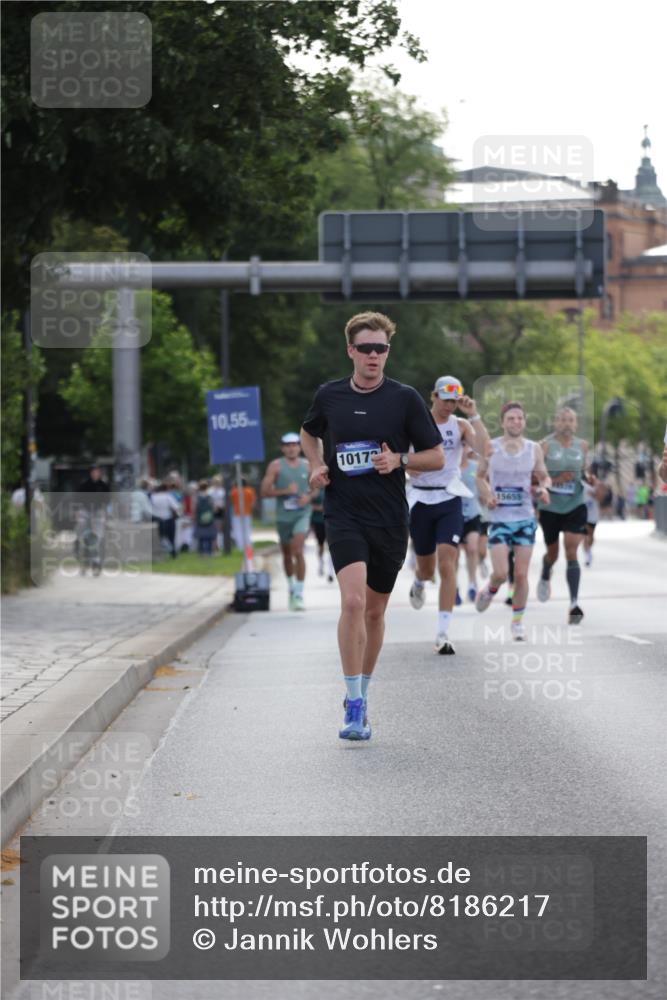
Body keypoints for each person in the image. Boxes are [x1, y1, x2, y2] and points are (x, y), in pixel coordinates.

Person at [300, 311, 444, 740]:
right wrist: (315, 463)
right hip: (343, 513)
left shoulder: (404, 399)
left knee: (377, 612)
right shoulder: (330, 396)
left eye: (381, 349)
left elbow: (435, 456)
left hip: (389, 519)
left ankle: (364, 688)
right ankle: (353, 704)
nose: (374, 356)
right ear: (351, 351)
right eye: (366, 348)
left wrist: (399, 460)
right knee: (353, 604)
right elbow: (309, 433)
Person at [407, 376, 489, 654]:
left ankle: (443, 632)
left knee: (447, 560)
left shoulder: (460, 425)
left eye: (454, 401)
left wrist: (474, 415)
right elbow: (399, 455)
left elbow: (485, 450)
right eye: (445, 399)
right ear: (434, 396)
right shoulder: (416, 421)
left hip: (450, 497)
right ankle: (419, 582)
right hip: (420, 498)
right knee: (428, 569)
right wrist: (408, 467)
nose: (449, 405)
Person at [475, 402, 551, 640]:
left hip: (525, 518)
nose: (516, 422)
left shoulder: (533, 449)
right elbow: (479, 477)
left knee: (520, 574)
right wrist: (488, 495)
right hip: (499, 519)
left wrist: (542, 489)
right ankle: (491, 588)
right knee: (500, 572)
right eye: (511, 418)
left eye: (520, 418)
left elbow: (544, 477)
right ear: (502, 422)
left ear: (524, 422)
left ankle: (517, 623)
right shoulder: (491, 447)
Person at [536, 407, 597, 625]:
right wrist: (557, 480)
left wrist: (590, 479)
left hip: (575, 505)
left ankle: (574, 604)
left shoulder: (582, 445)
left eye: (571, 420)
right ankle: (546, 570)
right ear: (555, 423)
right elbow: (535, 478)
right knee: (553, 554)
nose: (567, 424)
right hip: (550, 507)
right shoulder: (544, 446)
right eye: (562, 420)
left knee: (572, 549)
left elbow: (584, 470)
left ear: (576, 424)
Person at [260, 434, 314, 610]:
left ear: (299, 447)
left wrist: (308, 497)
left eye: (294, 445)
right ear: (282, 448)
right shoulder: (275, 466)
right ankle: (291, 587)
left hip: (302, 514)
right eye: (287, 445)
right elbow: (265, 491)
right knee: (287, 555)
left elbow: (316, 487)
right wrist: (284, 491)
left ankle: (299, 593)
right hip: (284, 517)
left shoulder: (307, 465)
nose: (291, 448)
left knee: (298, 550)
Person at [77, 464, 111, 575]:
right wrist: (78, 512)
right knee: (85, 538)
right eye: (94, 471)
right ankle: (85, 562)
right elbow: (79, 500)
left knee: (97, 538)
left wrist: (106, 514)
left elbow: (107, 501)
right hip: (85, 511)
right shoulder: (84, 485)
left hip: (98, 512)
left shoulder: (104, 486)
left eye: (98, 472)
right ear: (90, 473)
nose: (96, 474)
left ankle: (96, 562)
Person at [151, 482, 180, 558]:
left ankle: (160, 552)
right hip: (168, 518)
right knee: (170, 537)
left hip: (157, 519)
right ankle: (172, 551)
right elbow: (175, 507)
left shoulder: (153, 497)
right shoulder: (168, 496)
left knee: (160, 537)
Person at [310, 487, 334, 581]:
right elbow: (307, 503)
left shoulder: (333, 487)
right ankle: (321, 563)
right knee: (320, 545)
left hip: (331, 521)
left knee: (331, 547)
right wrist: (318, 507)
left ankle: (330, 572)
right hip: (318, 521)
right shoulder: (315, 489)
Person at [229, 478, 257, 553]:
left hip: (237, 513)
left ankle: (240, 546)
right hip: (247, 513)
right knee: (247, 529)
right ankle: (248, 545)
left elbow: (230, 501)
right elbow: (253, 503)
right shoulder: (250, 490)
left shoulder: (234, 491)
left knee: (238, 530)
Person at [582, 478, 604, 567]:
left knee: (590, 535)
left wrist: (595, 493)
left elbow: (600, 498)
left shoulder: (597, 486)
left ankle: (589, 549)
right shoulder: (581, 485)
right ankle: (587, 555)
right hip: (583, 514)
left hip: (593, 515)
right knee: (585, 535)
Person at [194, 479, 216, 556]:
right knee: (209, 535)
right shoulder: (209, 497)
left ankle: (201, 551)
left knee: (201, 536)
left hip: (200, 518)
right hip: (209, 518)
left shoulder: (197, 497)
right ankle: (209, 551)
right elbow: (213, 507)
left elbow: (195, 508)